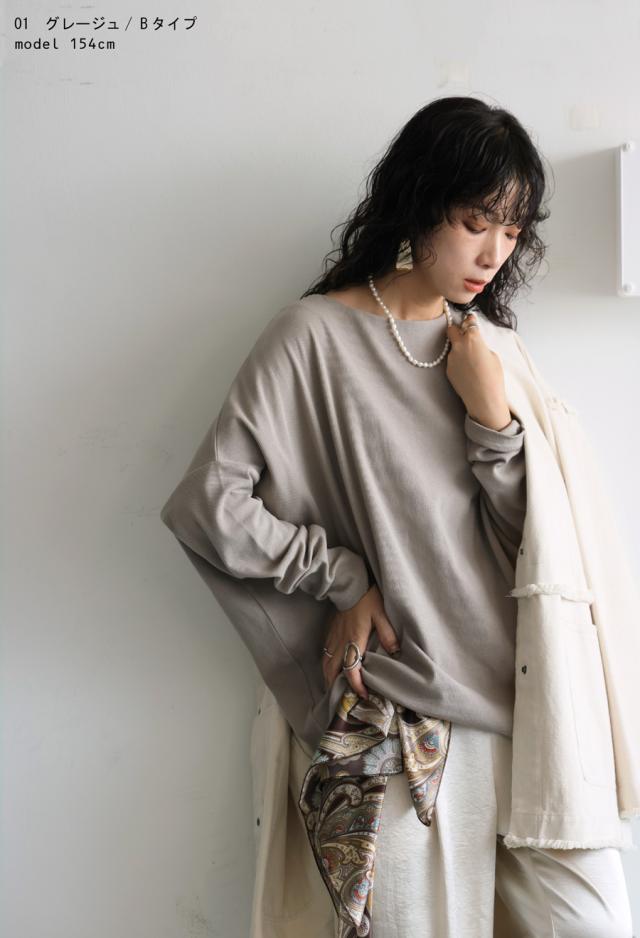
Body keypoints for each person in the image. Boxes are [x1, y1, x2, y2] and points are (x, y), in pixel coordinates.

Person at [160, 96, 634, 937]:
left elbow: (534, 542)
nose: (493, 252)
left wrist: (492, 420)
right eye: (475, 221)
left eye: (512, 231)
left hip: (535, 712)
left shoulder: (493, 350)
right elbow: (209, 504)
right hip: (406, 719)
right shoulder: (313, 337)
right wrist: (344, 578)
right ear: (420, 203)